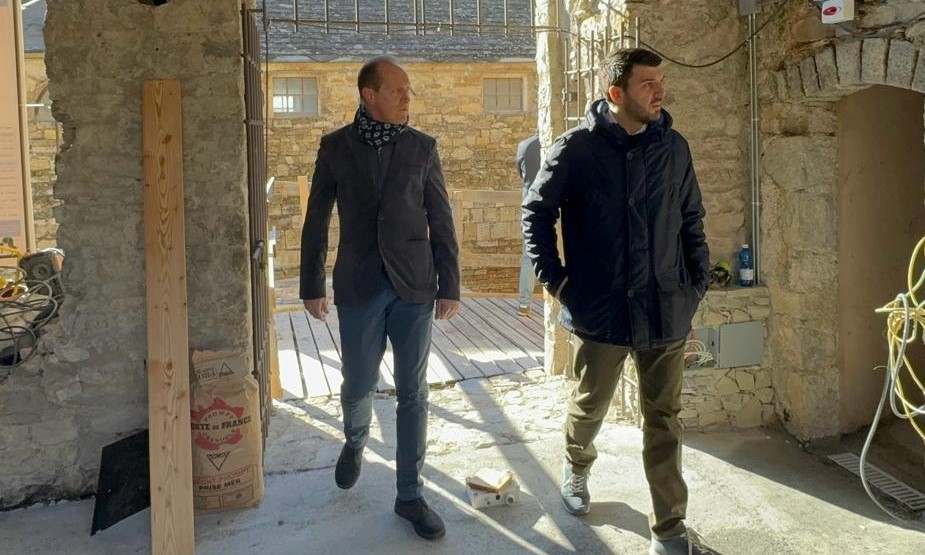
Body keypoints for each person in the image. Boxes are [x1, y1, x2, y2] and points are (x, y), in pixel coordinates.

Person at [522, 48, 712, 555]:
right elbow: (536, 214)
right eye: (648, 83)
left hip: (665, 309)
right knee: (591, 405)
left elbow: (691, 219)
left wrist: (695, 285)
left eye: (661, 81)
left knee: (664, 422)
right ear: (616, 93)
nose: (660, 91)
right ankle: (576, 465)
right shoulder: (576, 149)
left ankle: (669, 527)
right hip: (601, 310)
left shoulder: (674, 148)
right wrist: (557, 282)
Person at [300, 55, 460, 541]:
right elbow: (316, 218)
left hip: (415, 285)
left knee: (414, 393)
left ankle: (409, 495)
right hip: (359, 284)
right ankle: (354, 440)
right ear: (369, 95)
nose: (408, 97)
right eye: (398, 90)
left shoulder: (422, 147)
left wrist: (450, 284)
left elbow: (441, 217)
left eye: (408, 90)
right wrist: (311, 285)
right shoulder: (335, 147)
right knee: (358, 383)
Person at [516, 133, 540, 316]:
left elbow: (521, 174)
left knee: (529, 256)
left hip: (529, 204)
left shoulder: (524, 145)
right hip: (555, 205)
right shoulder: (557, 144)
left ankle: (525, 303)